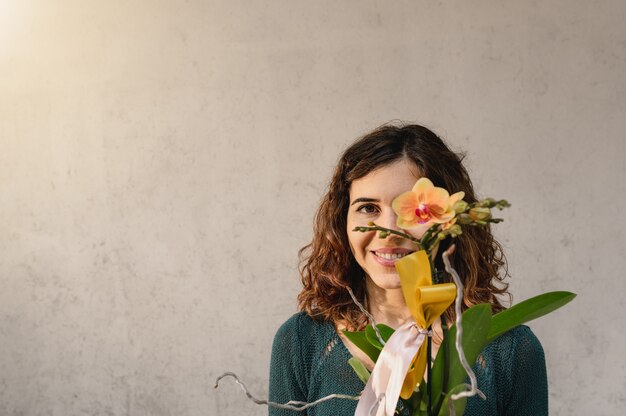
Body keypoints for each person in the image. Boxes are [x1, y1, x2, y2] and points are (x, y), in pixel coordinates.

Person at [269, 123, 548, 415]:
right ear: (342, 221)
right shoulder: (301, 342)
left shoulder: (511, 350)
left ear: (449, 221)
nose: (389, 231)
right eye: (369, 208)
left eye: (411, 211)